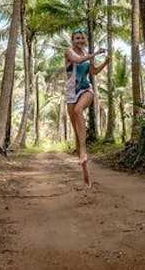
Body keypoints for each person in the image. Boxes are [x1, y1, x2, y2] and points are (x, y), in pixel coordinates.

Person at [65, 27, 110, 188]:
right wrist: (96, 54)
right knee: (77, 135)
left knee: (78, 111)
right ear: (72, 41)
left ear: (85, 40)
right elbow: (77, 61)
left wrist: (105, 62)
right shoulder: (69, 53)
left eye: (82, 38)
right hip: (71, 94)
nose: (80, 40)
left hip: (86, 90)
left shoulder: (87, 55)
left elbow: (94, 72)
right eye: (77, 38)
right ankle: (86, 178)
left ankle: (83, 151)